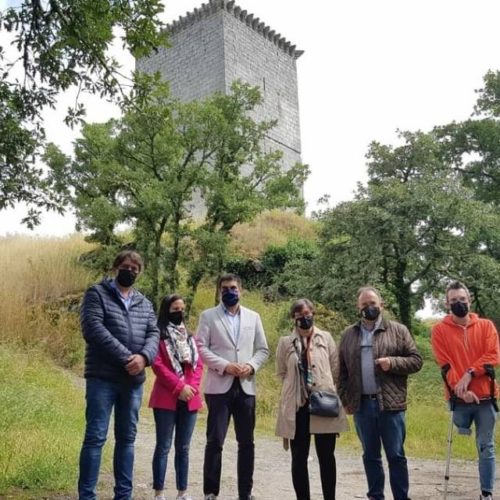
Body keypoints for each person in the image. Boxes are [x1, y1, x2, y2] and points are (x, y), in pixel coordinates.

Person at [78, 250, 160, 500]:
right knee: (95, 437)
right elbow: (93, 329)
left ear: (139, 272)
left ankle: (123, 496)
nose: (130, 271)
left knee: (127, 440)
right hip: (102, 378)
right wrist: (128, 358)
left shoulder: (144, 303)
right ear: (116, 267)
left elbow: (154, 334)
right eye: (126, 266)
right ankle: (87, 496)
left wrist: (144, 358)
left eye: (135, 269)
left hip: (132, 383)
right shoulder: (97, 294)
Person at [337, 286, 423, 500]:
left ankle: (401, 497)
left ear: (381, 305)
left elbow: (416, 361)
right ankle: (376, 496)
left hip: (391, 406)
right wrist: (345, 399)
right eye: (364, 305)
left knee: (396, 455)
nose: (369, 308)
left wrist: (392, 362)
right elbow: (341, 371)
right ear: (358, 308)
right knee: (370, 456)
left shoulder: (398, 330)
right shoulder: (349, 334)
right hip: (362, 406)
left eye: (373, 304)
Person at [196, 273, 269, 500]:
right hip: (219, 387)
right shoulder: (208, 316)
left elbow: (262, 350)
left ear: (241, 290)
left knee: (246, 442)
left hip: (246, 386)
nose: (230, 292)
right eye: (225, 288)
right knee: (215, 440)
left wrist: (251, 365)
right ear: (219, 291)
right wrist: (225, 365)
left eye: (234, 288)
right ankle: (210, 492)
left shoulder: (254, 317)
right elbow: (201, 347)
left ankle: (245, 493)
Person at [431, 281, 500, 500]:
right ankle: (464, 426)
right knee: (461, 427)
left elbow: (493, 356)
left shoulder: (486, 326)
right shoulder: (439, 331)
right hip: (458, 399)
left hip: (486, 396)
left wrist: (470, 372)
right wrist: (461, 391)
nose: (459, 303)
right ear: (447, 303)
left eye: (462, 300)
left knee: (486, 446)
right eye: (454, 301)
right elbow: (445, 365)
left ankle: (486, 492)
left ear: (469, 300)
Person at [275, 298, 349, 500]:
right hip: (297, 406)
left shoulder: (325, 338)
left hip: (323, 402)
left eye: (308, 315)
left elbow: (335, 369)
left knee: (326, 457)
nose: (305, 319)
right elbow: (281, 373)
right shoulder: (285, 342)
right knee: (298, 458)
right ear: (294, 318)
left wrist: (323, 387)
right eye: (300, 317)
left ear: (313, 315)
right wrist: (297, 388)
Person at [149, 294, 203, 500]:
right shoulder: (158, 336)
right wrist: (179, 386)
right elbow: (158, 365)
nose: (179, 312)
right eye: (174, 309)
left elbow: (198, 365)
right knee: (163, 446)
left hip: (190, 397)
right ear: (166, 311)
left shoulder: (190, 336)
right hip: (166, 397)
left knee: (184, 447)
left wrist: (191, 388)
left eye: (182, 308)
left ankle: (182, 492)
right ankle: (159, 492)